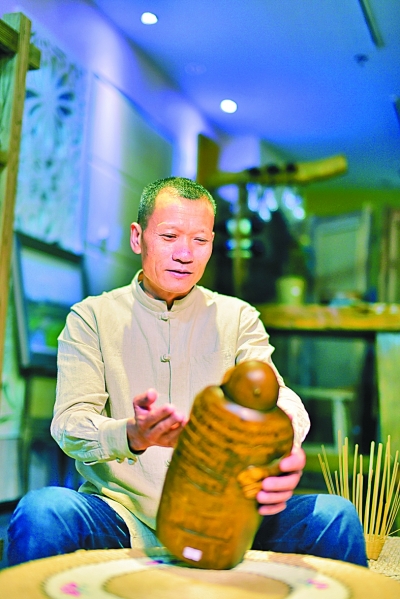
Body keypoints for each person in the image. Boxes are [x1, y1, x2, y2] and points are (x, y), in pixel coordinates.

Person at [7, 177, 367, 567]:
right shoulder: (92, 317)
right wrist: (132, 433)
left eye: (200, 240)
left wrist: (286, 446)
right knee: (43, 510)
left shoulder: (237, 317)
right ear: (137, 237)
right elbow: (69, 425)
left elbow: (278, 396)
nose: (185, 254)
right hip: (124, 517)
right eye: (169, 236)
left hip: (230, 516)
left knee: (336, 515)